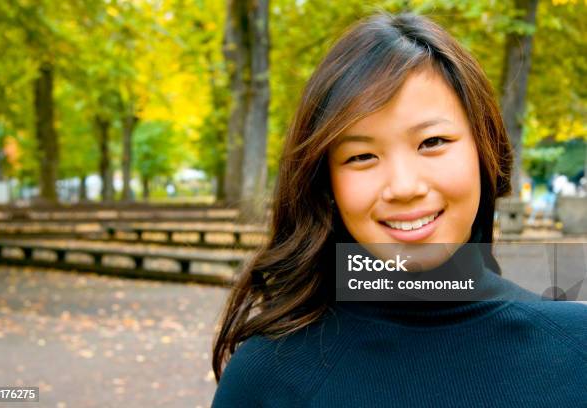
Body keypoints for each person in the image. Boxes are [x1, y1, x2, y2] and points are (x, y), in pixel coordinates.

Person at [211, 13, 587, 407]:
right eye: (361, 156)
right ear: (326, 183)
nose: (404, 187)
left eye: (432, 141)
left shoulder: (576, 351)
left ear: (484, 148)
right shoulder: (269, 374)